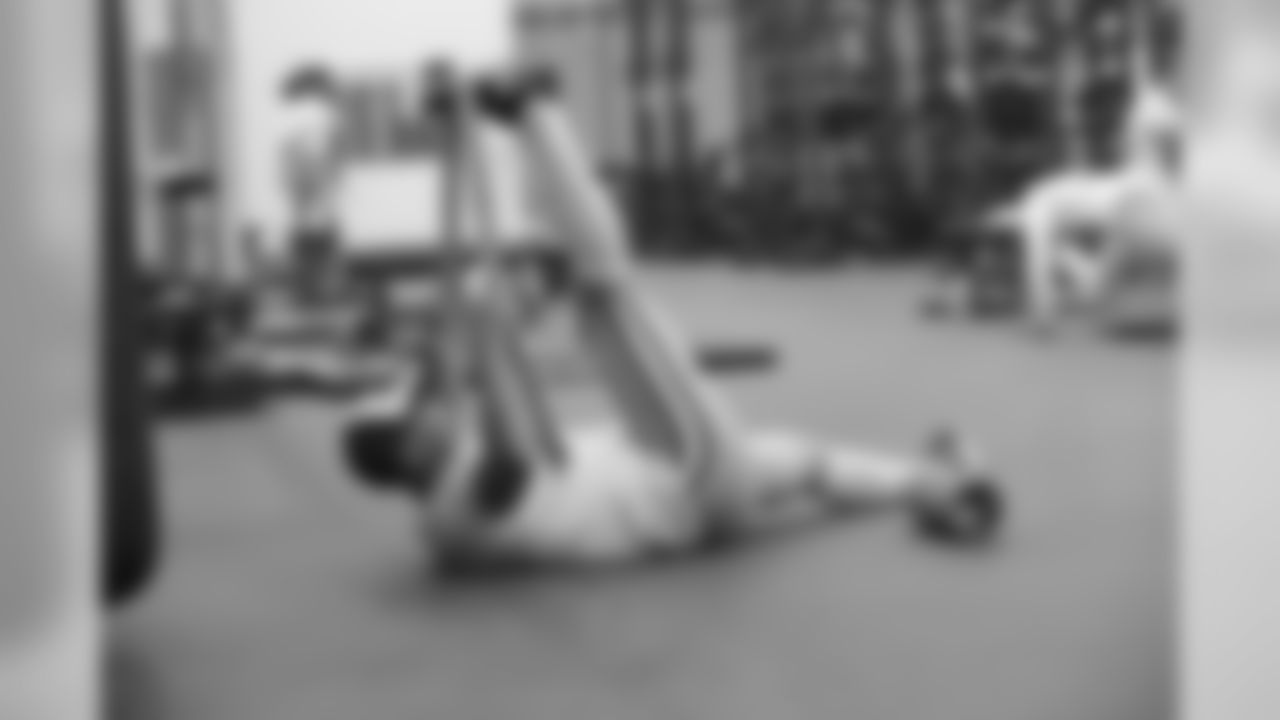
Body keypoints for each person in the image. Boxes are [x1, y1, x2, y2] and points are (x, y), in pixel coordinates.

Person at [344, 81, 1003, 573]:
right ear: (411, 453)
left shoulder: (439, 515)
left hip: (688, 491)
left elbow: (488, 396)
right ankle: (538, 111)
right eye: (420, 415)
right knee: (605, 294)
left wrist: (454, 141)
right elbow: (509, 443)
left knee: (806, 461)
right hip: (679, 475)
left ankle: (940, 485)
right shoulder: (470, 497)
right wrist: (490, 338)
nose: (433, 408)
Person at [279, 62, 346, 305]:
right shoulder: (318, 115)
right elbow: (324, 153)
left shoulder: (298, 116)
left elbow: (294, 155)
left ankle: (311, 294)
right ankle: (316, 294)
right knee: (317, 238)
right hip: (313, 193)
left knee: (310, 237)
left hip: (307, 195)